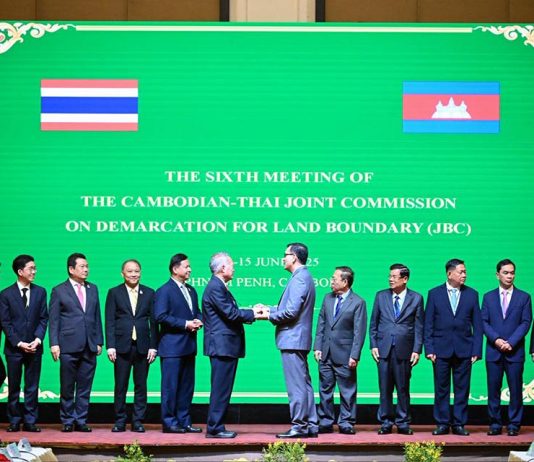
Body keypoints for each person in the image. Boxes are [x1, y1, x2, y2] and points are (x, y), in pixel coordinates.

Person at [202, 252, 262, 438]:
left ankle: (217, 425)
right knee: (220, 389)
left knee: (223, 388)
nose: (234, 269)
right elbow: (231, 313)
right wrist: (254, 313)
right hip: (222, 347)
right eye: (231, 265)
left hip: (225, 346)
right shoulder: (215, 287)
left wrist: (251, 311)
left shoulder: (219, 286)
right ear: (222, 268)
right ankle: (215, 428)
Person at [264, 243, 318, 438]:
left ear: (294, 257)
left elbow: (291, 312)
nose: (283, 258)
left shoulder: (299, 278)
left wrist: (268, 316)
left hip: (293, 339)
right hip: (297, 339)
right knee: (303, 384)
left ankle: (299, 426)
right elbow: (289, 308)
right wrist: (268, 309)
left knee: (296, 386)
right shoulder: (304, 276)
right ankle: (310, 424)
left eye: (285, 254)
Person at [424, 258, 482, 436]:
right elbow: (428, 324)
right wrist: (429, 349)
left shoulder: (472, 294)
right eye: (461, 272)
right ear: (450, 274)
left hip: (465, 349)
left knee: (462, 389)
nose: (464, 275)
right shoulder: (434, 293)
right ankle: (442, 423)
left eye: (465, 272)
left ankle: (459, 423)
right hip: (440, 349)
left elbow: (478, 325)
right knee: (441, 388)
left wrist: (476, 350)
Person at [49, 253, 103, 432]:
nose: (86, 269)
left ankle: (80, 420)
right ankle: (67, 420)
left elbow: (96, 316)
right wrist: (54, 343)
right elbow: (54, 320)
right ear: (71, 269)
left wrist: (99, 340)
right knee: (67, 386)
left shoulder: (93, 288)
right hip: (68, 345)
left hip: (89, 345)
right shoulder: (59, 290)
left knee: (85, 387)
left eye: (87, 266)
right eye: (82, 266)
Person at [369, 263, 424, 435]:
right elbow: (373, 324)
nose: (390, 279)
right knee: (384, 388)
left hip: (405, 349)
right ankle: (386, 422)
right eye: (390, 276)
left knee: (403, 388)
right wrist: (373, 345)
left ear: (405, 279)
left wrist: (417, 350)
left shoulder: (416, 298)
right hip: (383, 348)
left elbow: (419, 327)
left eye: (394, 276)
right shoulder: (381, 296)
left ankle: (403, 422)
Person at [105, 259, 157, 433]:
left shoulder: (149, 293)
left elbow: (153, 322)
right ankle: (120, 421)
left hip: (143, 346)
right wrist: (110, 346)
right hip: (121, 346)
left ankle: (138, 421)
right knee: (120, 386)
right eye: (130, 271)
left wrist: (153, 346)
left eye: (136, 271)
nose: (134, 274)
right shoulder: (114, 292)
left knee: (141, 386)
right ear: (122, 274)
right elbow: (110, 321)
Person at [313, 266, 366, 435]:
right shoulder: (327, 298)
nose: (331, 281)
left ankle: (346, 422)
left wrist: (355, 355)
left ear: (345, 281)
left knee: (347, 391)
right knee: (325, 390)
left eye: (334, 279)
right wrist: (317, 347)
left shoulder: (358, 302)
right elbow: (321, 323)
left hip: (346, 354)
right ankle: (325, 422)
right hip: (326, 352)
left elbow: (359, 332)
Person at [481, 259, 532, 436]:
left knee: (516, 390)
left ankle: (514, 425)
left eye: (512, 273)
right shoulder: (488, 297)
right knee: (493, 390)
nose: (509, 276)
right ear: (498, 275)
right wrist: (496, 340)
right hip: (493, 351)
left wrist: (511, 342)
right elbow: (484, 322)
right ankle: (495, 424)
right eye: (506, 273)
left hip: (515, 351)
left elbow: (526, 322)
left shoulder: (524, 297)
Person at [154, 253, 203, 434]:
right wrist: (185, 324)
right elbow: (160, 316)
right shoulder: (164, 290)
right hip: (172, 348)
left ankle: (184, 421)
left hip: (189, 346)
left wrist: (198, 320)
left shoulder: (191, 290)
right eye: (186, 266)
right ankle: (169, 423)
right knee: (170, 387)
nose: (190, 269)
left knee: (186, 388)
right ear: (175, 269)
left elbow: (197, 311)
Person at [0, 255, 48, 432]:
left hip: (35, 347)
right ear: (20, 271)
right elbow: (5, 322)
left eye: (35, 268)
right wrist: (19, 343)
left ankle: (30, 421)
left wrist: (37, 339)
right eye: (31, 268)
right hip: (14, 349)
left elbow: (44, 318)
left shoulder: (41, 292)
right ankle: (14, 420)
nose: (34, 271)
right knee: (14, 386)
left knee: (32, 386)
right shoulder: (5, 294)